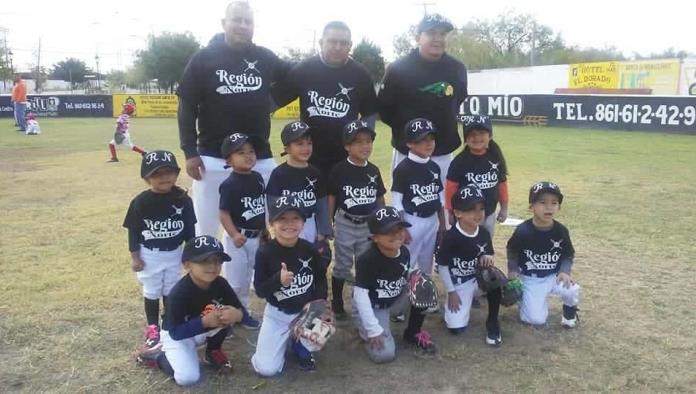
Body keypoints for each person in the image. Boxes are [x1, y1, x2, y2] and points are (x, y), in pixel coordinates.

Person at [177, 1, 291, 237]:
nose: (242, 25)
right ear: (224, 23)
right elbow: (186, 104)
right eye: (236, 19)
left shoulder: (265, 58)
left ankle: (257, 275)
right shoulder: (203, 58)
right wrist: (189, 151)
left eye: (248, 21)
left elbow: (296, 77)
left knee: (261, 227)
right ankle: (204, 273)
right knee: (206, 228)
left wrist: (271, 102)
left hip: (257, 158)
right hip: (212, 158)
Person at [271, 21, 379, 179]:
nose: (338, 47)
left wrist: (361, 148)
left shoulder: (360, 75)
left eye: (343, 43)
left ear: (350, 45)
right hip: (308, 156)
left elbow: (369, 114)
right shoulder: (304, 69)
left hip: (345, 158)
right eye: (332, 41)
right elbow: (273, 101)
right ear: (321, 43)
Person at [136, 235, 245, 386]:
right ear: (187, 265)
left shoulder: (221, 283)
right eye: (204, 261)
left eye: (217, 261)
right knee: (188, 378)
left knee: (226, 314)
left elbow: (242, 313)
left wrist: (237, 314)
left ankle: (212, 352)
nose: (212, 267)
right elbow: (175, 332)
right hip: (177, 335)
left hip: (201, 328)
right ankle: (157, 356)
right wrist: (204, 322)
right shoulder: (179, 293)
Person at [123, 150, 197, 353]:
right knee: (153, 290)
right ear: (147, 178)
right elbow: (134, 231)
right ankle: (153, 327)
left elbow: (190, 230)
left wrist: (191, 255)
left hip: (175, 252)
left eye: (169, 172)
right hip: (150, 254)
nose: (165, 177)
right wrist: (135, 256)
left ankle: (169, 322)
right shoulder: (141, 201)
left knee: (171, 289)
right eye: (157, 174)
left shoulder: (183, 199)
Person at [378, 13, 467, 180]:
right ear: (418, 37)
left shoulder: (457, 68)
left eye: (442, 34)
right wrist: (411, 136)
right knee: (405, 204)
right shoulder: (398, 69)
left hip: (443, 152)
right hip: (408, 153)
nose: (438, 39)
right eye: (431, 33)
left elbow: (458, 99)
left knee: (445, 205)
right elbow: (385, 110)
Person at [251, 195, 328, 375]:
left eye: (295, 218)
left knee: (321, 334)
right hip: (277, 315)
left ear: (303, 222)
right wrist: (278, 280)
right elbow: (261, 290)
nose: (289, 224)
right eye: (282, 219)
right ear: (272, 223)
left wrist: (319, 304)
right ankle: (283, 340)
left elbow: (320, 279)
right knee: (266, 369)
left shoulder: (310, 249)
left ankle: (299, 344)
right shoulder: (265, 252)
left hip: (304, 313)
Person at [352, 206, 437, 363]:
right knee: (384, 355)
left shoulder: (403, 251)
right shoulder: (367, 259)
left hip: (394, 299)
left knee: (423, 287)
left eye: (399, 229)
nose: (396, 234)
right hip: (373, 305)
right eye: (388, 231)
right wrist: (372, 329)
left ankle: (413, 332)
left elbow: (406, 271)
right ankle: (363, 325)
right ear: (374, 237)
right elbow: (360, 294)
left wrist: (417, 276)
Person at [327, 120, 386, 319]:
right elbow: (332, 197)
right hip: (345, 221)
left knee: (365, 263)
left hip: (368, 224)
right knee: (342, 263)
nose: (365, 146)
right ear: (347, 146)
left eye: (368, 141)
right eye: (358, 142)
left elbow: (379, 197)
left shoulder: (374, 170)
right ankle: (336, 300)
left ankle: (361, 300)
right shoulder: (340, 169)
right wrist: (329, 221)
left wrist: (383, 221)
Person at [506, 182, 580, 328]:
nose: (549, 207)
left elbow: (568, 253)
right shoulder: (523, 230)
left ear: (559, 207)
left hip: (553, 276)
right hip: (531, 278)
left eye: (554, 203)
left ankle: (569, 309)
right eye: (542, 202)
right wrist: (513, 269)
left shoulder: (561, 231)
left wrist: (564, 271)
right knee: (535, 320)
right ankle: (524, 298)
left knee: (571, 289)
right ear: (531, 206)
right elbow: (512, 250)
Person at [436, 184, 503, 345]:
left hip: (478, 279)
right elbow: (443, 266)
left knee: (495, 281)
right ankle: (456, 308)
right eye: (471, 209)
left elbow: (489, 252)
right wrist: (451, 292)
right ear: (458, 213)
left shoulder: (484, 233)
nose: (478, 213)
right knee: (456, 328)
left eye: (481, 208)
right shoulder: (451, 237)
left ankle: (493, 321)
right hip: (459, 283)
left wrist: (487, 257)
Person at [218, 132, 266, 329]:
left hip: (255, 238)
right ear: (229, 160)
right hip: (237, 238)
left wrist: (264, 232)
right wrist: (234, 234)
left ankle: (243, 312)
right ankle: (225, 316)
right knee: (235, 281)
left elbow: (261, 208)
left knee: (247, 278)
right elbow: (223, 213)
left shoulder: (257, 178)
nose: (248, 156)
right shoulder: (229, 184)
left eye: (251, 151)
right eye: (241, 153)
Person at [391, 118, 445, 275]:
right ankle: (404, 291)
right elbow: (396, 201)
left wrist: (442, 225)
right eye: (422, 140)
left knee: (426, 260)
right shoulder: (403, 168)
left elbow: (439, 198)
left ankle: (424, 291)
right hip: (411, 221)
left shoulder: (434, 167)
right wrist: (402, 227)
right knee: (408, 259)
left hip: (432, 220)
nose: (429, 144)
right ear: (409, 143)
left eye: (431, 139)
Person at [266, 121, 331, 244]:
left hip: (309, 223)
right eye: (299, 144)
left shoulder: (315, 173)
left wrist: (323, 230)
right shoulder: (279, 173)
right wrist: (275, 226)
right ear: (287, 148)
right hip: (287, 225)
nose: (306, 148)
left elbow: (321, 205)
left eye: (309, 143)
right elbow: (272, 203)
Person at [445, 115, 509, 237]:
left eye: (481, 133)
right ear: (466, 139)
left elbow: (502, 185)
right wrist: (450, 212)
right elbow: (450, 188)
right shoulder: (459, 161)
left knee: (485, 244)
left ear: (490, 136)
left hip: (488, 212)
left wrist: (504, 208)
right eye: (472, 134)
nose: (477, 137)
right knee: (465, 245)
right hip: (466, 215)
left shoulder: (496, 158)